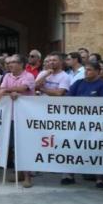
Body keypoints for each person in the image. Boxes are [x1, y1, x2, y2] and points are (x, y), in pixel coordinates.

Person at [68, 61, 103, 189]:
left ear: (97, 71)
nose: (86, 72)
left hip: (95, 124)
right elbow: (68, 99)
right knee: (73, 148)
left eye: (89, 70)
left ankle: (99, 179)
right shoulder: (78, 83)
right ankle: (69, 175)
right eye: (85, 70)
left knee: (97, 150)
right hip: (77, 123)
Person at [0, 54, 36, 187]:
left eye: (13, 62)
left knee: (24, 146)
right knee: (13, 147)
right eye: (9, 62)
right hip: (11, 116)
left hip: (25, 117)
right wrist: (8, 92)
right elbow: (2, 90)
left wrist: (6, 91)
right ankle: (18, 172)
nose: (10, 64)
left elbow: (23, 88)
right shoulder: (7, 76)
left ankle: (28, 176)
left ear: (21, 64)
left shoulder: (29, 76)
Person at [35, 53, 72, 184]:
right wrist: (45, 75)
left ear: (61, 62)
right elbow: (35, 85)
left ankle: (65, 171)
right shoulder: (43, 73)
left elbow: (59, 93)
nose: (51, 62)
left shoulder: (65, 76)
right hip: (42, 110)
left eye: (54, 60)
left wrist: (43, 89)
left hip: (57, 112)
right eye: (49, 60)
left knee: (59, 139)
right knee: (42, 138)